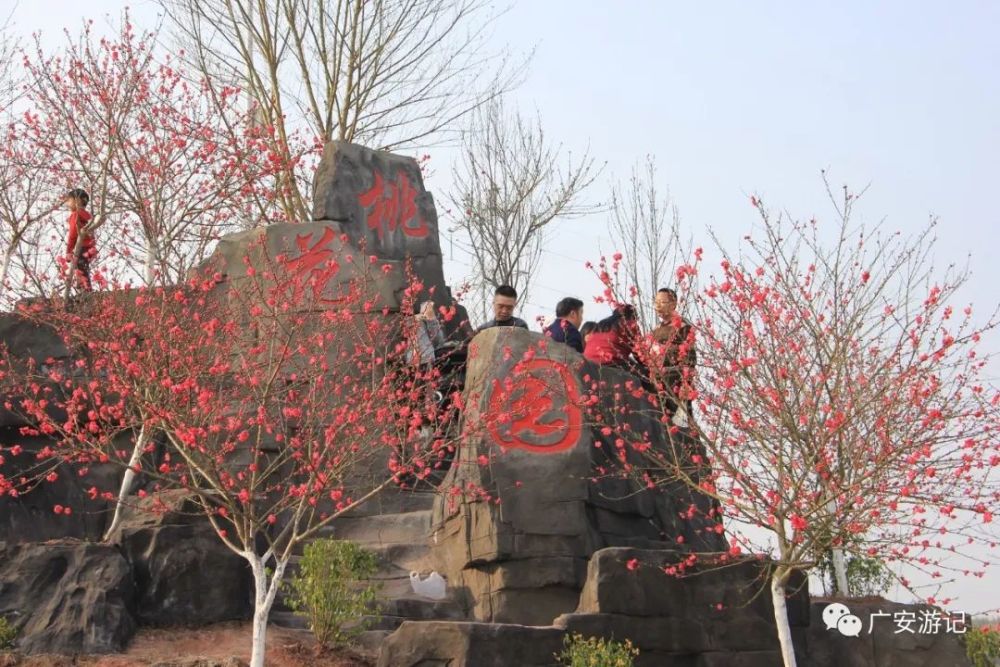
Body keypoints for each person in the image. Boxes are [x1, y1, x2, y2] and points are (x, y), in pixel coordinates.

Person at [650, 287, 696, 416]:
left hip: (675, 380)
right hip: (658, 382)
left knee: (678, 420)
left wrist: (686, 383)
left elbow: (690, 358)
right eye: (656, 302)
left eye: (662, 302)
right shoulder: (656, 329)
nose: (658, 306)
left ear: (673, 304)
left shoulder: (683, 326)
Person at [583, 305, 642, 373]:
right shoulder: (630, 325)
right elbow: (640, 354)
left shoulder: (601, 324)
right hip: (611, 365)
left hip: (588, 365)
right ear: (632, 316)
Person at [65, 188, 96, 291]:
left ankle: (84, 291)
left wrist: (69, 251)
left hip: (81, 247)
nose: (67, 204)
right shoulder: (88, 217)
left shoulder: (75, 215)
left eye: (69, 200)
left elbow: (72, 234)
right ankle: (85, 289)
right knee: (84, 269)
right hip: (89, 248)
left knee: (80, 270)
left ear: (77, 200)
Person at [408, 300, 445, 367]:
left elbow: (438, 342)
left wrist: (432, 321)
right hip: (419, 360)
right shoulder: (411, 321)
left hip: (426, 360)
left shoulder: (433, 323)